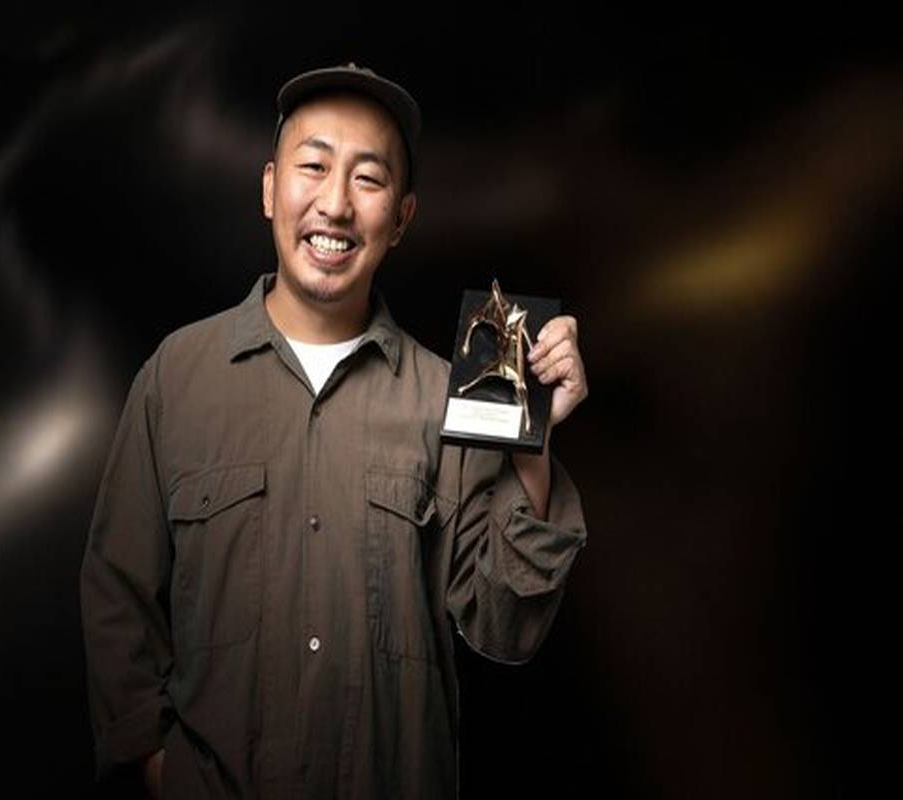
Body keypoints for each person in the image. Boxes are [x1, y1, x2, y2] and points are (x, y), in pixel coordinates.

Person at [80, 62, 589, 799]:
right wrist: (158, 769)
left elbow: (503, 627)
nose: (336, 204)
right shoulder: (175, 378)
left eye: (368, 178)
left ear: (402, 218)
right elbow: (117, 595)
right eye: (313, 166)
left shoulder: (443, 400)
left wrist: (532, 437)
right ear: (269, 189)